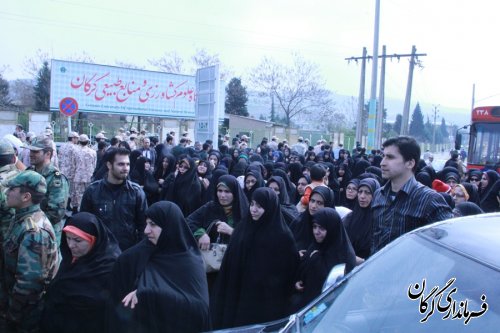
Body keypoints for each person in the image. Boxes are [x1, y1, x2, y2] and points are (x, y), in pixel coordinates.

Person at [108, 201, 210, 333]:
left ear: (170, 226)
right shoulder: (132, 257)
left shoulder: (189, 260)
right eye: (146, 223)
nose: (146, 230)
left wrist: (150, 293)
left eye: (153, 224)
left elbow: (200, 309)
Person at [211, 188, 299, 329]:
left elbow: (289, 269)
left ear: (270, 208)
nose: (254, 209)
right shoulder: (243, 228)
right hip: (237, 290)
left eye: (259, 206)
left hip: (262, 298)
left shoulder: (282, 236)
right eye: (252, 204)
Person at [40, 212, 121, 333]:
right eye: (68, 238)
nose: (71, 245)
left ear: (94, 240)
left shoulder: (109, 268)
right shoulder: (71, 259)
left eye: (78, 240)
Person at [371, 136, 453, 254]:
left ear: (410, 163)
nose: (382, 163)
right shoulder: (379, 194)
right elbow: (374, 239)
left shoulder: (429, 200)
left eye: (390, 157)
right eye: (383, 156)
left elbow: (448, 245)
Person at [1, 171, 59, 332]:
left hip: (23, 315)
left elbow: (29, 284)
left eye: (11, 189)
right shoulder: (21, 218)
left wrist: (11, 315)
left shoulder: (34, 232)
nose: (7, 192)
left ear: (26, 197)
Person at [80, 148, 148, 251]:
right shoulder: (92, 191)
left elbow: (143, 225)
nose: (126, 168)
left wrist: (138, 251)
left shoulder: (136, 192)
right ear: (109, 165)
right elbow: (84, 225)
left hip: (128, 252)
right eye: (121, 164)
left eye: (128, 164)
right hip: (100, 254)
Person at [292, 207, 356, 311]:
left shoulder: (344, 256)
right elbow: (305, 270)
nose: (316, 232)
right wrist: (299, 280)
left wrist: (317, 260)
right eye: (314, 227)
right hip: (308, 305)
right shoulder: (317, 245)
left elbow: (333, 289)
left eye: (322, 228)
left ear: (332, 229)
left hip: (326, 310)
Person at [25, 135, 70, 244]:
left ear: (48, 154)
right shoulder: (29, 172)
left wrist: (32, 224)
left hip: (46, 234)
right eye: (31, 150)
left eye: (36, 152)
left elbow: (57, 212)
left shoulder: (56, 178)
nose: (31, 154)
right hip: (27, 230)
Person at [342, 178, 380, 263]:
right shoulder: (350, 218)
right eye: (360, 192)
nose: (362, 196)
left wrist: (363, 262)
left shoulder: (380, 221)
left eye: (368, 193)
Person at [290, 186, 335, 252]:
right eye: (312, 201)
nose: (313, 206)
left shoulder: (333, 226)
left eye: (319, 203)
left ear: (327, 205)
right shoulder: (298, 223)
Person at [71, 134, 97, 213]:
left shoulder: (75, 151)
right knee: (90, 195)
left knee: (79, 196)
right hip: (89, 176)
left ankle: (80, 211)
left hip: (78, 176)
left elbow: (73, 164)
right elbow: (94, 164)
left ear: (79, 141)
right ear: (87, 141)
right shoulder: (93, 152)